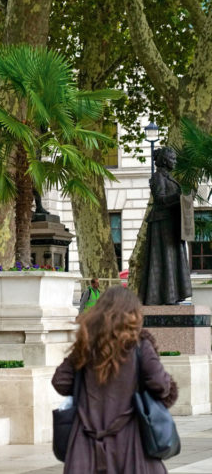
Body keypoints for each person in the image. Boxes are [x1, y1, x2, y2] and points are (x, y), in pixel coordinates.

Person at [52, 286, 178, 472]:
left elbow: (60, 381)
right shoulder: (140, 346)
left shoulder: (86, 346)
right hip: (130, 443)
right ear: (133, 314)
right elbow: (161, 385)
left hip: (86, 445)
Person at [139, 147, 192, 305]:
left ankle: (172, 295)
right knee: (164, 259)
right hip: (162, 224)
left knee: (172, 260)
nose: (175, 161)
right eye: (172, 159)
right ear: (164, 160)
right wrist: (178, 196)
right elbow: (160, 200)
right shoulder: (157, 177)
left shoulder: (168, 178)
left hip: (172, 224)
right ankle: (165, 297)